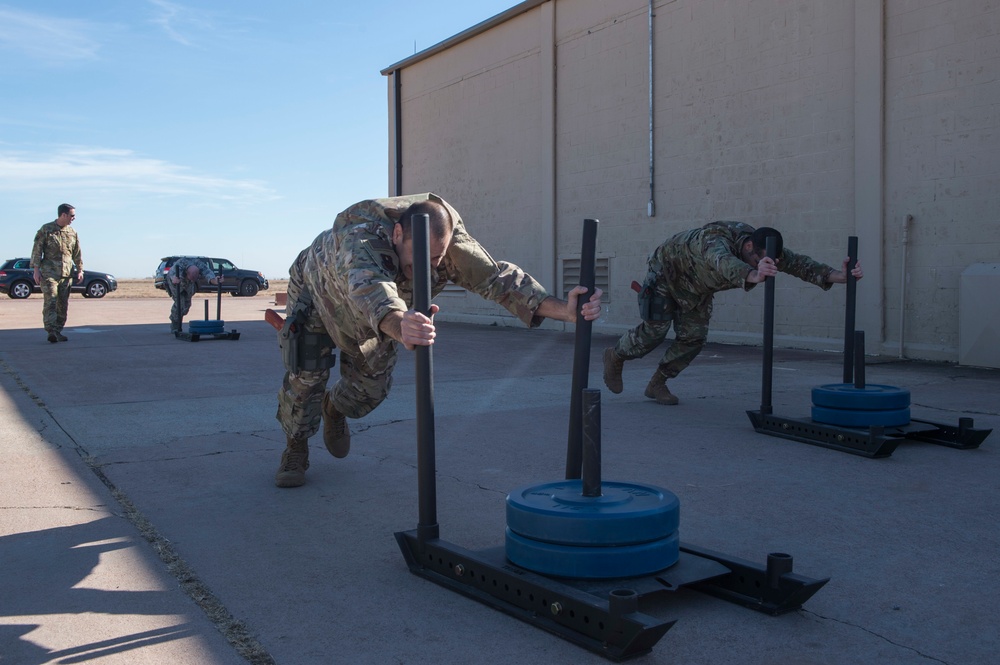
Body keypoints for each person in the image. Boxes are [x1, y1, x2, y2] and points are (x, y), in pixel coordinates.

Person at [273, 193, 603, 488]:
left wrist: (566, 311)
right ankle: (296, 446)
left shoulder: (449, 244)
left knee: (368, 391)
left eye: (436, 260)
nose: (431, 268)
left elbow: (496, 279)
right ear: (398, 235)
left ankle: (335, 408)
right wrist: (400, 323)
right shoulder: (359, 239)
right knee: (307, 372)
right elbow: (367, 285)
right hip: (320, 288)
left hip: (379, 311)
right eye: (421, 259)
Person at [603, 221, 864, 405]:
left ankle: (657, 383)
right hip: (666, 277)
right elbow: (722, 262)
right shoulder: (715, 241)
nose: (759, 263)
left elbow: (797, 264)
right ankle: (616, 356)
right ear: (749, 247)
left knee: (693, 338)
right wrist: (753, 274)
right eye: (756, 260)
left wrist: (838, 276)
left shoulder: (765, 245)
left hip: (697, 288)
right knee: (654, 333)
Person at [31, 204, 83, 343]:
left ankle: (58, 330)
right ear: (63, 215)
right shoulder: (46, 229)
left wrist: (80, 269)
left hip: (66, 274)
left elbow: (77, 253)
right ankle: (51, 331)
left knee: (62, 304)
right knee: (51, 301)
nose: (74, 218)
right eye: (72, 215)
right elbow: (37, 250)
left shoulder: (72, 232)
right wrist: (36, 270)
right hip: (49, 273)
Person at [166, 258, 222, 334]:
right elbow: (172, 275)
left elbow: (207, 272)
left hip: (187, 282)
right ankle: (175, 324)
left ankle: (179, 316)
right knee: (180, 302)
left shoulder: (199, 264)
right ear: (187, 272)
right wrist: (174, 280)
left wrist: (215, 280)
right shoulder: (180, 265)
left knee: (187, 304)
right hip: (175, 280)